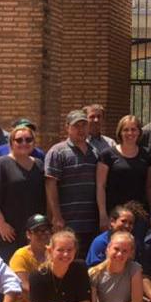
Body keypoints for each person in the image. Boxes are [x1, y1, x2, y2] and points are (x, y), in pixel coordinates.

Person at [0, 124, 45, 264]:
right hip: (4, 233)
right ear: (11, 143)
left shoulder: (39, 165)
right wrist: (2, 225)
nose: (24, 143)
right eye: (19, 140)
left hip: (28, 232)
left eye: (28, 140)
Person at [45, 109, 102, 255]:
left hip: (91, 221)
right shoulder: (57, 152)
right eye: (76, 126)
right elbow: (51, 185)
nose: (81, 129)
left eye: (84, 125)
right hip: (68, 221)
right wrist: (56, 216)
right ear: (67, 128)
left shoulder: (95, 152)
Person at [96, 115, 151, 242]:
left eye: (134, 129)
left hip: (140, 214)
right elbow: (100, 186)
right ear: (120, 132)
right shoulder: (107, 155)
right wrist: (103, 214)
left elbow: (150, 186)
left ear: (139, 132)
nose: (130, 133)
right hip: (115, 214)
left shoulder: (148, 155)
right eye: (126, 130)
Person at [6, 214, 52, 302]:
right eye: (37, 231)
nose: (43, 234)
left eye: (46, 230)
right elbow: (25, 288)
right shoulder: (20, 256)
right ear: (28, 234)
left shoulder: (55, 253)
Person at [86, 203, 142, 267]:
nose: (127, 226)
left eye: (130, 223)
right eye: (123, 221)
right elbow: (96, 270)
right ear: (112, 221)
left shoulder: (133, 243)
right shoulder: (100, 242)